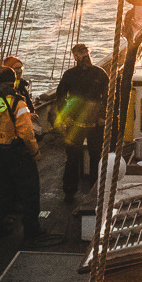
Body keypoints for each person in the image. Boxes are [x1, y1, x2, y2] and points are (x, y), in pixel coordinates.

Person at [0, 66, 49, 241]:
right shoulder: (18, 102)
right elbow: (26, 133)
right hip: (17, 154)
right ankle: (31, 231)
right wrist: (35, 152)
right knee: (30, 191)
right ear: (14, 81)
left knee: (0, 192)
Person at [53, 42, 108, 199]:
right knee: (72, 157)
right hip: (75, 123)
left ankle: (95, 189)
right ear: (75, 57)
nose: (86, 57)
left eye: (87, 53)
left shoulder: (100, 73)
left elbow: (109, 97)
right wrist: (66, 116)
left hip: (96, 123)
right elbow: (61, 97)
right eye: (82, 54)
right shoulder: (69, 75)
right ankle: (69, 192)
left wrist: (103, 116)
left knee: (96, 155)